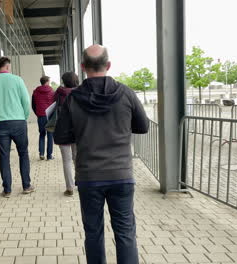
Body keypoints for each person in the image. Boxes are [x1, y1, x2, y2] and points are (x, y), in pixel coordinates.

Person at [54, 45, 149, 264]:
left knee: (93, 232)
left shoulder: (73, 99)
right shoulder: (126, 93)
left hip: (89, 177)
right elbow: (143, 127)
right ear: (108, 65)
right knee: (125, 232)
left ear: (83, 67)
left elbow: (60, 137)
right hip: (121, 175)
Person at [0, 56, 34, 198]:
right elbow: (25, 101)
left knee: (4, 156)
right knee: (23, 153)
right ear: (7, 66)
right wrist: (24, 117)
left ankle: (7, 189)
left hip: (1, 124)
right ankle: (26, 185)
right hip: (18, 122)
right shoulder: (17, 80)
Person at [53, 72, 79, 196]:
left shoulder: (58, 93)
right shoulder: (80, 93)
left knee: (67, 161)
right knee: (77, 158)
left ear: (64, 81)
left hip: (62, 130)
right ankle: (80, 182)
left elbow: (52, 107)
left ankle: (69, 188)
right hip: (78, 130)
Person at [32, 76, 55, 160]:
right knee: (50, 135)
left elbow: (33, 105)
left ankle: (41, 154)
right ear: (47, 82)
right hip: (49, 116)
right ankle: (49, 156)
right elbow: (54, 104)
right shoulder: (52, 91)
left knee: (42, 135)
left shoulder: (35, 92)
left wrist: (37, 113)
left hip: (41, 116)